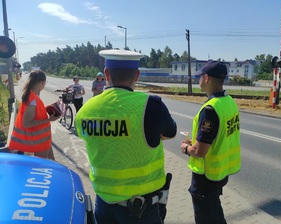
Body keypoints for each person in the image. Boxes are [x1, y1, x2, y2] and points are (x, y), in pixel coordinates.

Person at [75, 49, 177, 224]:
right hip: (142, 208)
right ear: (137, 75)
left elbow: (85, 135)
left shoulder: (86, 110)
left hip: (104, 204)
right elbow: (170, 133)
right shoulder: (151, 106)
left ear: (106, 73)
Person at [180, 61, 241, 224]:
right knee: (215, 214)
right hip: (220, 172)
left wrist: (186, 148)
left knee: (207, 218)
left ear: (206, 78)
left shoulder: (210, 110)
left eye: (200, 75)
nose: (198, 79)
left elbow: (200, 152)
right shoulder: (229, 102)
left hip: (206, 177)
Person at [8, 69, 60, 160]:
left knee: (52, 164)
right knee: (43, 168)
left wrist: (51, 106)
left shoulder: (33, 96)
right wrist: (49, 119)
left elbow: (36, 112)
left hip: (43, 139)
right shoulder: (32, 99)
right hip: (38, 141)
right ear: (42, 82)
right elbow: (27, 123)